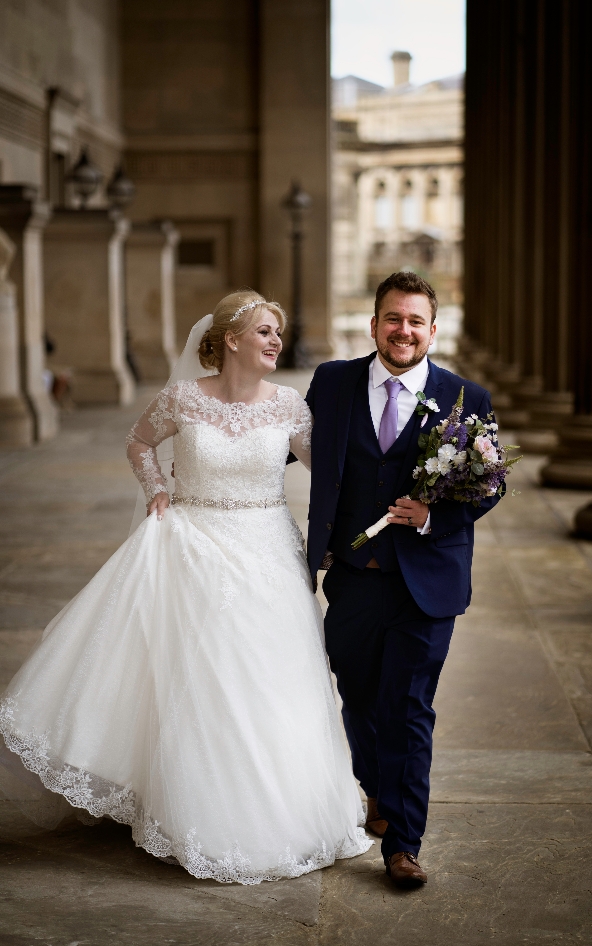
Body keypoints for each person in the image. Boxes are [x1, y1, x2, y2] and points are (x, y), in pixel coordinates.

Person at [0, 290, 371, 884]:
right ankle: (198, 809)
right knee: (202, 679)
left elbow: (335, 471)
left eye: (278, 332)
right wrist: (156, 489)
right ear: (230, 339)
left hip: (267, 553)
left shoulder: (290, 408)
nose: (277, 340)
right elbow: (139, 442)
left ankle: (279, 807)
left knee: (267, 680)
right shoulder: (181, 397)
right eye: (264, 331)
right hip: (193, 544)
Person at [304, 271, 501, 888]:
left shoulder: (468, 398)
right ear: (374, 324)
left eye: (416, 320)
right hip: (355, 578)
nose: (404, 330)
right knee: (358, 696)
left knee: (410, 708)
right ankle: (377, 792)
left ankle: (404, 845)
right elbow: (278, 443)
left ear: (433, 330)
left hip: (428, 583)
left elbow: (490, 483)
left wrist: (436, 515)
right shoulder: (332, 383)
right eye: (393, 318)